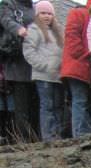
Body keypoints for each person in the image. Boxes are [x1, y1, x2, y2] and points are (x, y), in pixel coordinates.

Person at [22, 0, 63, 141]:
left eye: (50, 13)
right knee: (47, 106)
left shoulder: (58, 31)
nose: (47, 16)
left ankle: (58, 135)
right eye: (43, 13)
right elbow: (28, 52)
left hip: (58, 76)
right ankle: (48, 137)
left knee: (59, 106)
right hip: (43, 76)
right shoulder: (33, 30)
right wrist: (45, 66)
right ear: (37, 14)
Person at [0, 0, 38, 142]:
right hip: (17, 63)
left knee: (35, 104)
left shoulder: (34, 7)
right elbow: (5, 20)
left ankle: (36, 138)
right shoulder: (8, 5)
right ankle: (25, 140)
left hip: (35, 63)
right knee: (22, 106)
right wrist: (19, 29)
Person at [60, 0, 91, 138]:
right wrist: (87, 55)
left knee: (81, 101)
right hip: (77, 67)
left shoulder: (85, 14)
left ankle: (82, 132)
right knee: (80, 101)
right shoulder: (79, 13)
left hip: (80, 67)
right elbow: (72, 40)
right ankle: (80, 134)